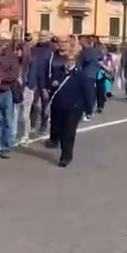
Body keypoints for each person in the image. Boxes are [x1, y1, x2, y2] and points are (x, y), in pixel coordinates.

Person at [45, 37, 86, 167]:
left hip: (75, 107)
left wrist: (88, 108)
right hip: (59, 105)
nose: (69, 62)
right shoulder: (58, 71)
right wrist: (53, 84)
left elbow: (87, 91)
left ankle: (66, 157)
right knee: (61, 130)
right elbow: (51, 84)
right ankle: (58, 144)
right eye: (67, 60)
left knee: (69, 132)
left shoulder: (80, 74)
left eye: (71, 60)